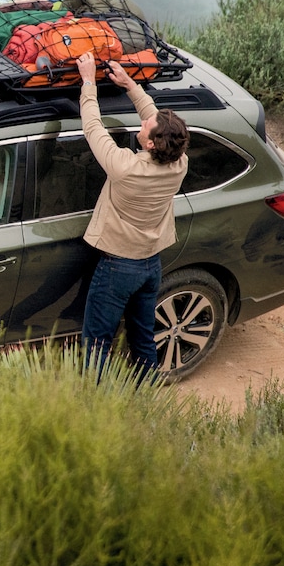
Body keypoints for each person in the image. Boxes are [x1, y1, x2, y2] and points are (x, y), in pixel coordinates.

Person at [76, 50, 190, 381]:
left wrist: (87, 81)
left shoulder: (124, 167)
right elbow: (157, 119)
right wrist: (129, 84)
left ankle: (95, 402)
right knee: (142, 340)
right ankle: (145, 399)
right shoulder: (179, 163)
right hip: (150, 265)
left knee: (97, 343)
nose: (142, 123)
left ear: (153, 145)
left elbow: (92, 127)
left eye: (145, 128)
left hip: (118, 267)